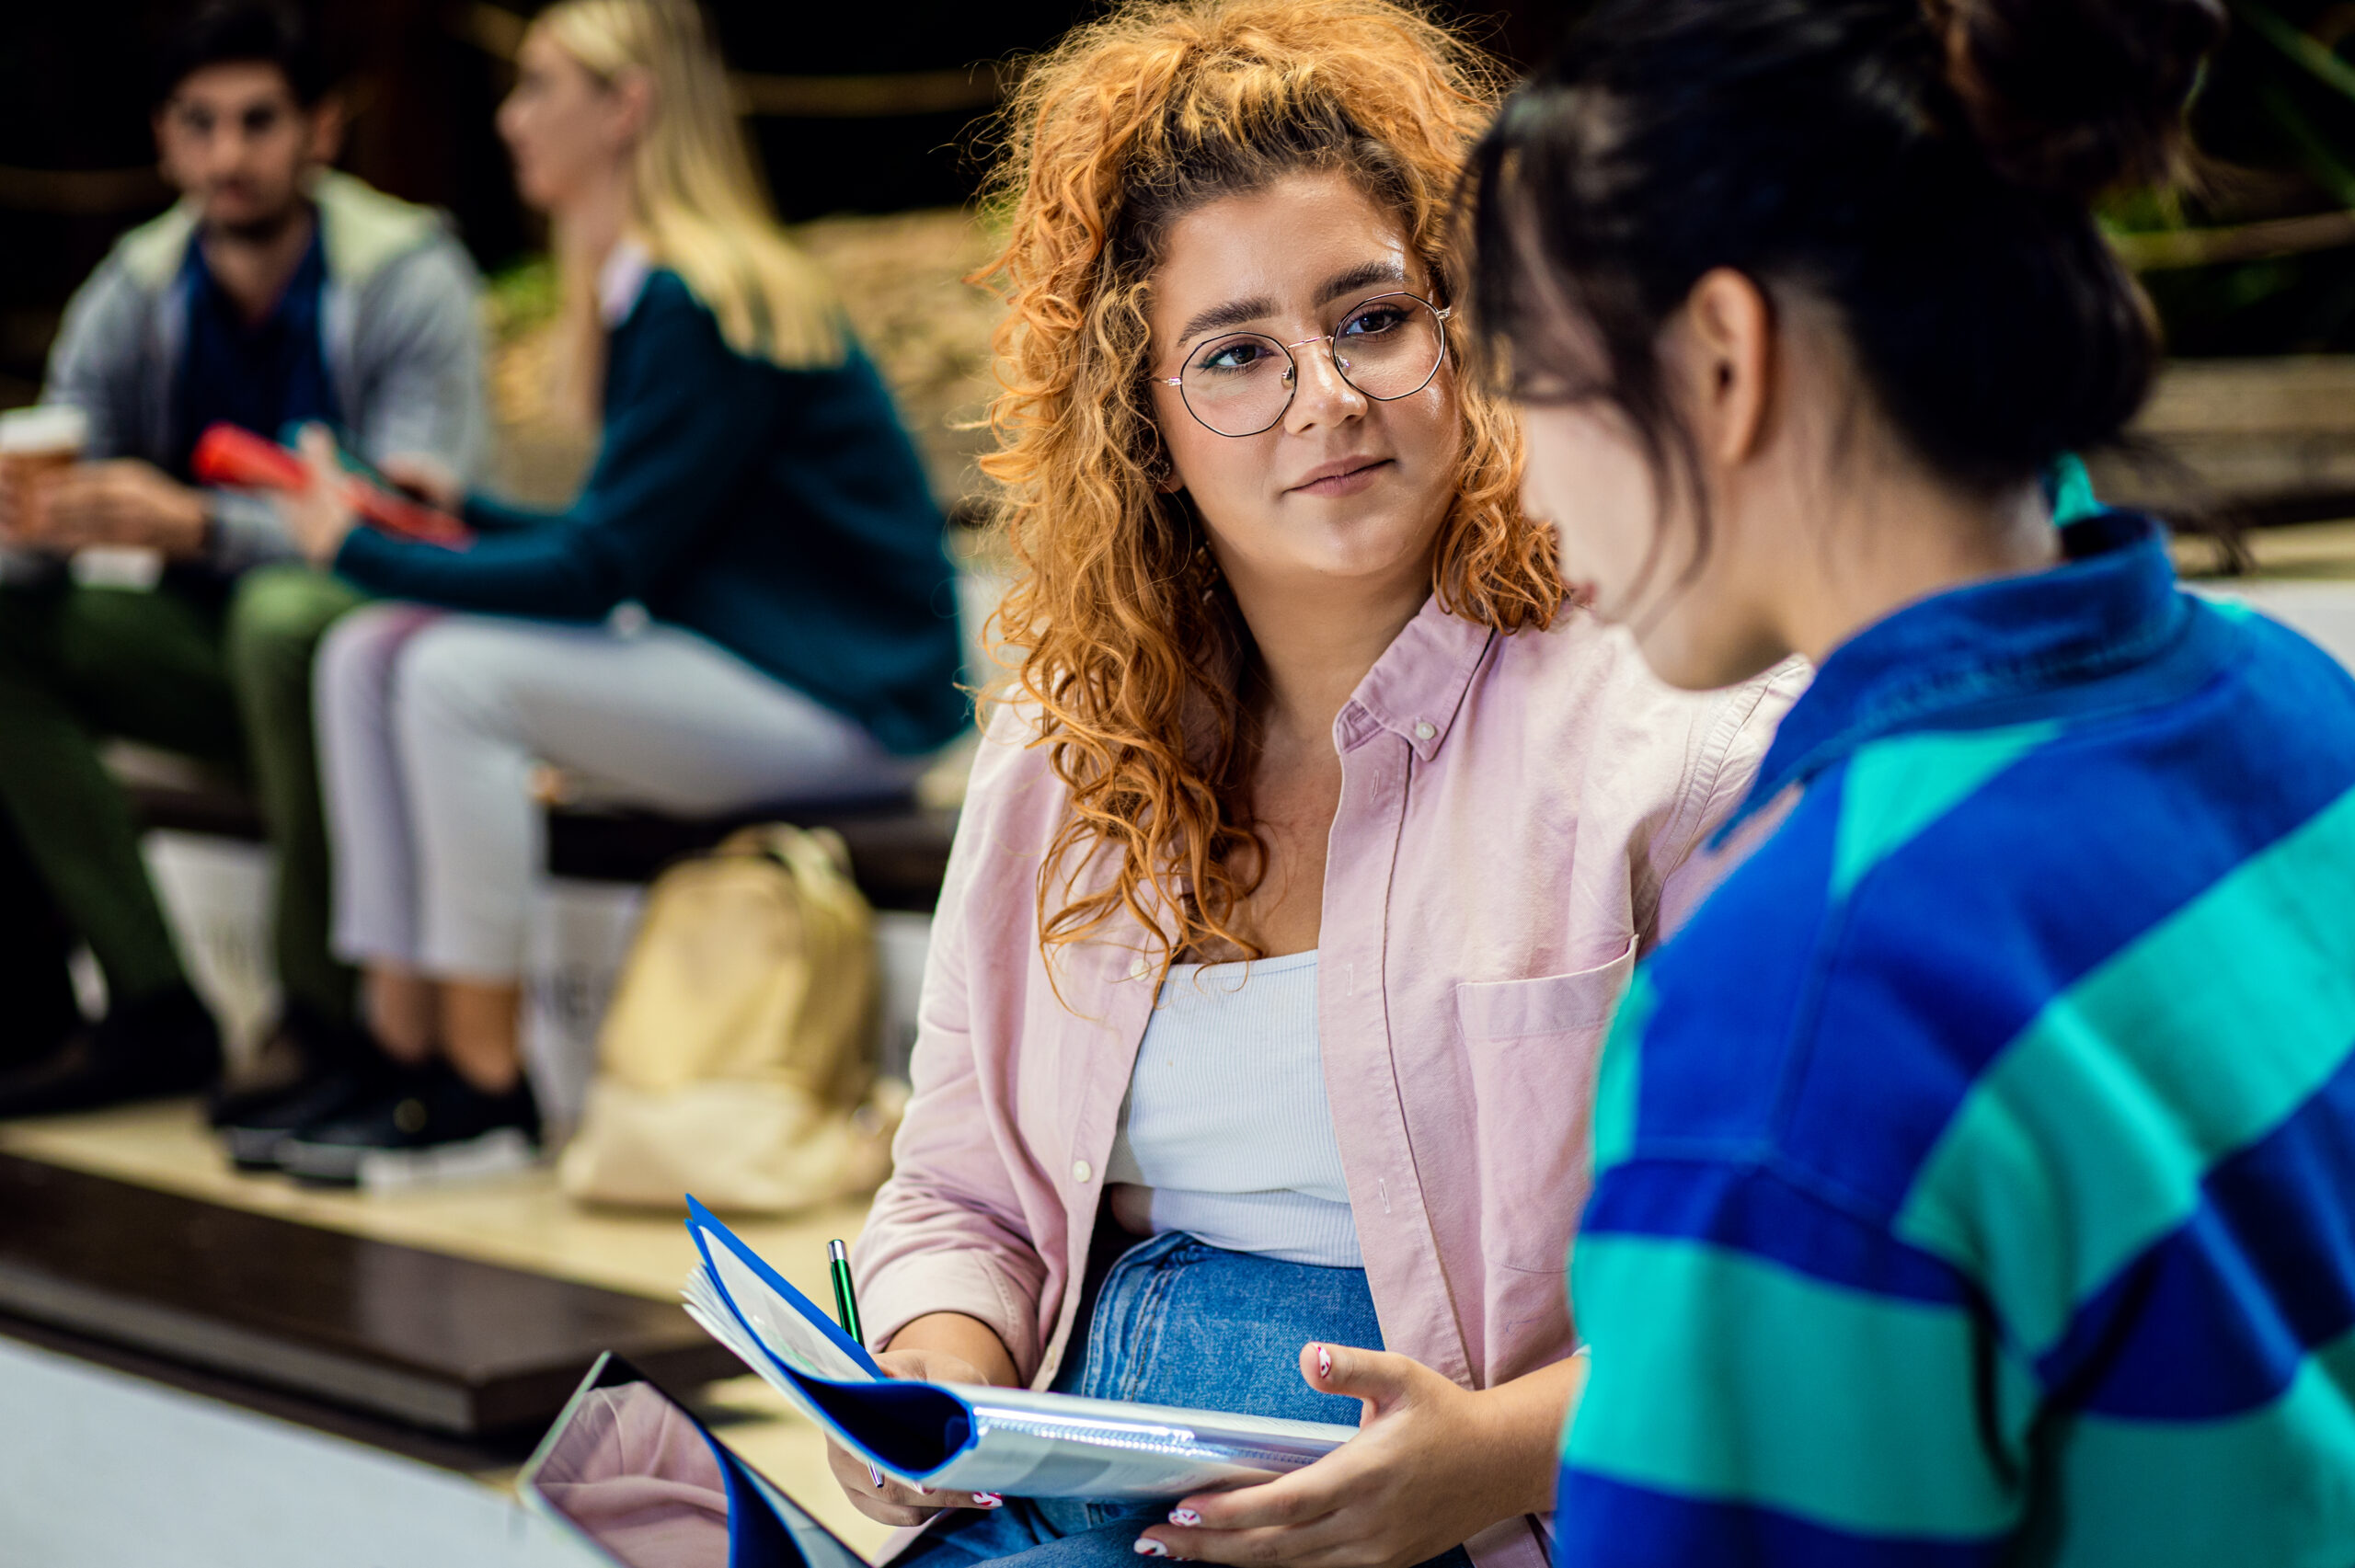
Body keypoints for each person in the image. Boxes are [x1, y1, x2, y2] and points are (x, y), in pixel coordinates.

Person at [836, 6, 1800, 1567]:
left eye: (1369, 320)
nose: (1326, 400)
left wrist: (1496, 1456)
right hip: (1070, 1489)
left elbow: (1793, 1293)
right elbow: (962, 1195)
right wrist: (936, 1395)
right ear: (1141, 421)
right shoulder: (1064, 752)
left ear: (1466, 325)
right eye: (1236, 355)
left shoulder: (1673, 729)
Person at [1462, 0, 2355, 1563]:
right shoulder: (2293, 710)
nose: (1523, 473)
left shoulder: (1801, 1019)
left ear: (1724, 359)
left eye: (1528, 377)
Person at [260, 0, 966, 1185]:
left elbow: (601, 572)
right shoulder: (658, 289)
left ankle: (486, 1090)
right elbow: (631, 536)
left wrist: (356, 546)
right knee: (363, 653)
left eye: (539, 86)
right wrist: (446, 513)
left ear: (625, 107)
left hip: (851, 704)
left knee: (443, 671)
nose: (510, 116)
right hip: (756, 663)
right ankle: (397, 1050)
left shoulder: (699, 299)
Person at [0, 0, 485, 1117]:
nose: (229, 155)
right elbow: (58, 486)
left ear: (321, 129)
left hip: (377, 644)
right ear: (166, 138)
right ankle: (152, 1003)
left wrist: (195, 526)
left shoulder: (408, 270)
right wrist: (34, 525)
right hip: (204, 656)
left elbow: (420, 529)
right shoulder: (136, 283)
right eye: (200, 124)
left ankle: (317, 1017)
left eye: (258, 121)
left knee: (280, 615)